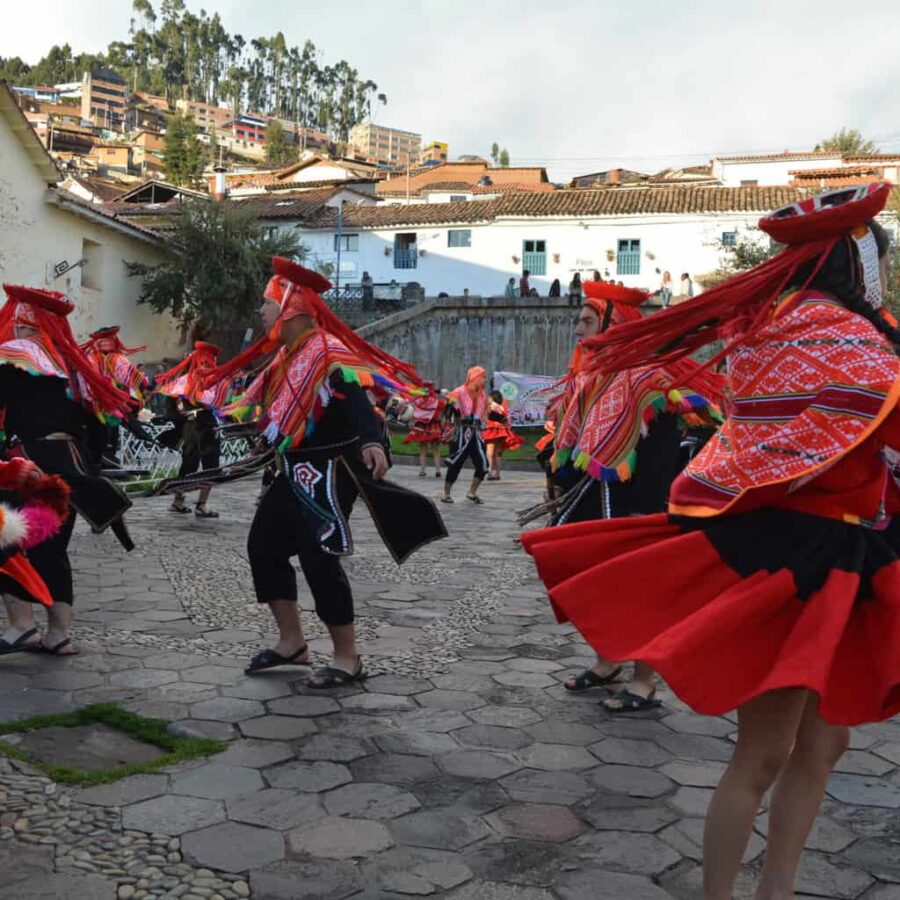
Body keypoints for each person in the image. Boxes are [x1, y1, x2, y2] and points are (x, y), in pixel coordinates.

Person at [522, 183, 900, 900]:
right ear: (858, 264)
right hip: (802, 558)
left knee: (823, 744)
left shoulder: (788, 327)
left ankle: (776, 890)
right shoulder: (844, 339)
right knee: (765, 752)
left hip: (849, 553)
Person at [192, 257, 446, 685]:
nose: (261, 311)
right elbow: (281, 415)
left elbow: (356, 396)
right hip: (292, 469)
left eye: (267, 303)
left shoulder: (327, 351)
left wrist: (370, 440)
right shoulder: (287, 356)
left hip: (331, 471)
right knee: (263, 547)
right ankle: (292, 642)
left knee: (318, 556)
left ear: (290, 306)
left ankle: (348, 658)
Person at [521, 280, 721, 711]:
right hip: (597, 498)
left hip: (638, 505)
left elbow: (662, 450)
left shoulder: (648, 379)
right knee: (591, 583)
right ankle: (608, 661)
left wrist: (648, 512)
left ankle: (645, 681)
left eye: (588, 321)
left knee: (643, 591)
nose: (578, 330)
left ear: (615, 324)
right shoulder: (591, 376)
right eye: (579, 321)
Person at [0, 285, 136, 655]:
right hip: (70, 466)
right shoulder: (72, 364)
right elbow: (98, 425)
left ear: (24, 322)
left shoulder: (19, 354)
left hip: (30, 464)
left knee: (9, 542)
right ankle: (58, 634)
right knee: (49, 548)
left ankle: (21, 626)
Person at [0, 457, 72, 655]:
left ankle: (23, 627)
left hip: (41, 469)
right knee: (49, 553)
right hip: (58, 467)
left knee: (11, 553)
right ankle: (58, 635)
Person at [154, 341, 230, 519]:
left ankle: (178, 500)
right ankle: (202, 505)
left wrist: (181, 411)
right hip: (206, 425)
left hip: (190, 425)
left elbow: (171, 397)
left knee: (188, 464)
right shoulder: (212, 380)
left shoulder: (185, 379)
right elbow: (215, 402)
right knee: (210, 465)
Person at [81, 325, 151, 467]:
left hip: (88, 407)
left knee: (94, 442)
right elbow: (139, 381)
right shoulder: (118, 359)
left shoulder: (88, 358)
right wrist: (144, 385)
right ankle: (106, 461)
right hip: (110, 407)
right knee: (109, 438)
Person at [441, 366, 489, 505]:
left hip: (476, 434)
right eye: (483, 377)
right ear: (476, 378)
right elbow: (450, 410)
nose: (485, 380)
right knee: (456, 463)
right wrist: (454, 407)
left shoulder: (482, 395)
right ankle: (446, 493)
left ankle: (471, 492)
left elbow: (484, 413)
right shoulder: (459, 392)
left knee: (483, 465)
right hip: (462, 433)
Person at [402, 391, 448, 478]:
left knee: (423, 448)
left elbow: (414, 411)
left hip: (422, 426)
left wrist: (412, 420)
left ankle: (423, 470)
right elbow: (442, 414)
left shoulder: (420, 401)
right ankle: (437, 471)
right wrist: (443, 425)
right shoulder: (438, 402)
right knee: (435, 449)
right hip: (434, 426)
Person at [483, 390, 524, 480]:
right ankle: (497, 474)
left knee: (490, 451)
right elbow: (506, 419)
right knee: (497, 453)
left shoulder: (491, 406)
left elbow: (486, 416)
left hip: (492, 429)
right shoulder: (502, 407)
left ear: (493, 397)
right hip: (502, 430)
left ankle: (489, 471)